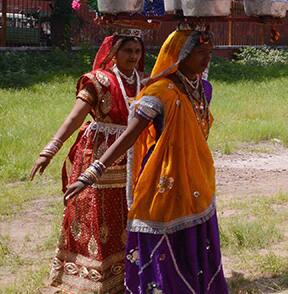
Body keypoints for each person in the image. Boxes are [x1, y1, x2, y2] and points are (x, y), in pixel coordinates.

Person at [63, 28, 228, 293]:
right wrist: (92, 172)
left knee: (196, 240)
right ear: (179, 56)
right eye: (199, 53)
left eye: (209, 54)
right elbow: (129, 136)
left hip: (198, 178)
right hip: (164, 180)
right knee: (163, 241)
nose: (205, 60)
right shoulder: (159, 92)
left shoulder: (201, 89)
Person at [32, 31, 144, 294]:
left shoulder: (144, 82)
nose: (133, 56)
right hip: (96, 155)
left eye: (137, 52)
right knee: (95, 215)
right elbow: (74, 117)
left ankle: (126, 275)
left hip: (132, 158)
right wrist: (51, 148)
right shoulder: (98, 81)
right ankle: (89, 278)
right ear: (114, 52)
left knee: (128, 214)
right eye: (128, 50)